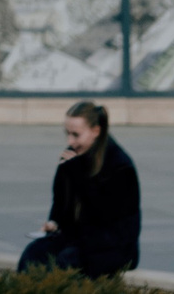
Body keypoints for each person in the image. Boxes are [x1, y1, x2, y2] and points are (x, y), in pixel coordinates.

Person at [18, 101, 140, 274]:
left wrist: (78, 174)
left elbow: (105, 216)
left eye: (76, 135)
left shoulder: (119, 166)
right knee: (34, 254)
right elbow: (60, 203)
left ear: (96, 131)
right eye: (67, 134)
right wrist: (54, 223)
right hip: (79, 238)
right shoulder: (72, 158)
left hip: (113, 245)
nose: (70, 141)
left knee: (67, 261)